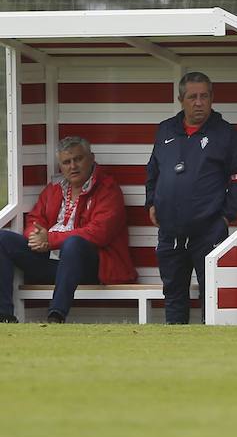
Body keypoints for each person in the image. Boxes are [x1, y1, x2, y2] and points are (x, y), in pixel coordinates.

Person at [146, 72, 237, 324]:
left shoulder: (226, 134)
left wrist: (226, 216)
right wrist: (151, 202)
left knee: (211, 296)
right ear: (181, 99)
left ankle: (209, 352)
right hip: (170, 231)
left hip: (208, 231)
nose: (199, 102)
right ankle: (174, 350)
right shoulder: (165, 130)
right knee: (173, 295)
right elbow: (153, 170)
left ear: (212, 98)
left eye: (204, 96)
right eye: (192, 97)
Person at [0, 136, 136, 323]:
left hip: (90, 268)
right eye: (66, 162)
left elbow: (99, 233)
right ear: (60, 166)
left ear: (91, 158)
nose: (73, 166)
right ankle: (4, 315)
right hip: (50, 261)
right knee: (2, 239)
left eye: (78, 159)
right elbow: (34, 218)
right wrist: (35, 236)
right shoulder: (54, 188)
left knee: (73, 244)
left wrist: (50, 240)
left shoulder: (108, 189)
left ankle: (56, 314)